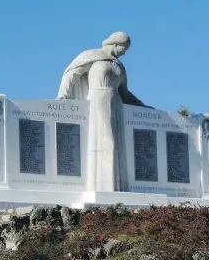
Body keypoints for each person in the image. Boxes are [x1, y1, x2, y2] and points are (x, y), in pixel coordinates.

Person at [56, 32, 152, 192]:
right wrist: (62, 96)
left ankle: (115, 187)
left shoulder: (119, 66)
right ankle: (102, 186)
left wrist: (141, 105)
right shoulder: (93, 56)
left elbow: (125, 93)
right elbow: (71, 74)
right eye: (124, 47)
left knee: (116, 144)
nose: (125, 52)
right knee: (107, 141)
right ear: (115, 44)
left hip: (115, 102)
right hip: (98, 100)